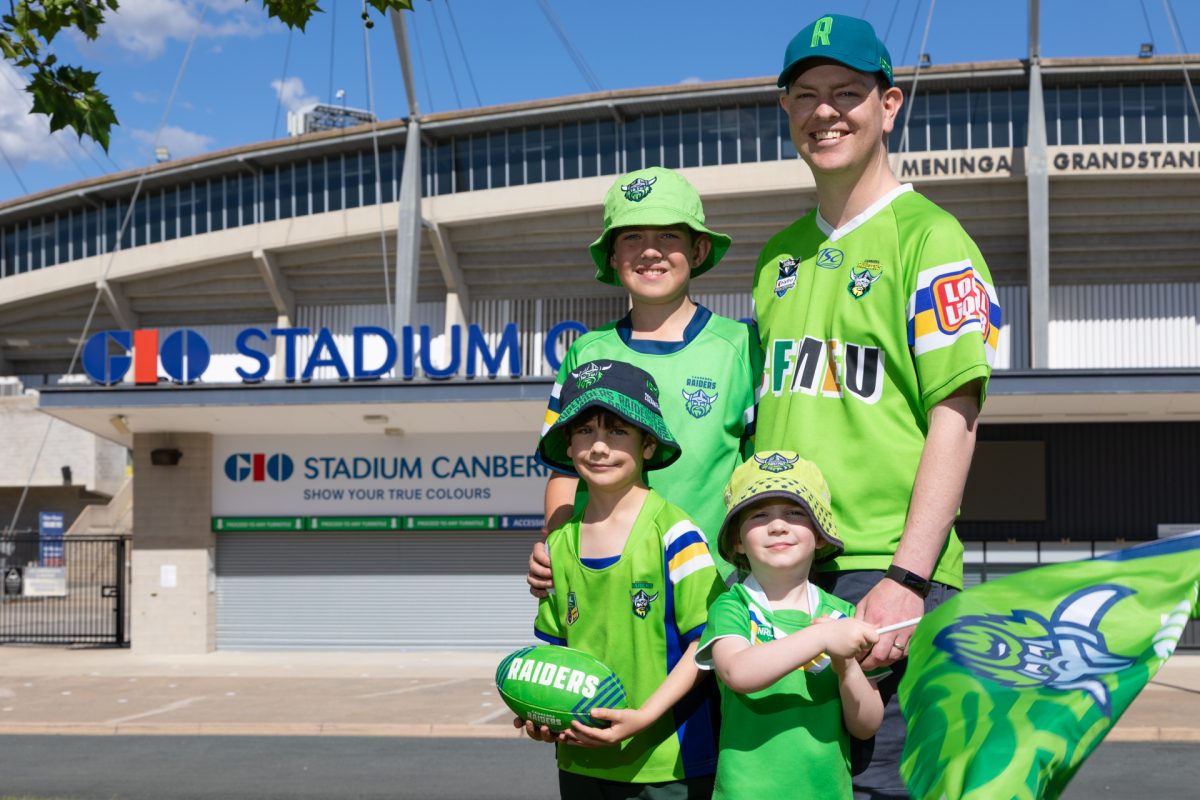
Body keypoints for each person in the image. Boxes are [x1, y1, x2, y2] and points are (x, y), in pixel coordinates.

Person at [754, 13, 1001, 797]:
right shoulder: (775, 257)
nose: (826, 111)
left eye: (848, 93)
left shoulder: (932, 239)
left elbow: (955, 420)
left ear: (888, 105)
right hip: (782, 572)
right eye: (807, 94)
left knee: (881, 785)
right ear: (787, 109)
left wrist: (908, 576)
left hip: (878, 574)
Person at [531, 166, 761, 581]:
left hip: (714, 586)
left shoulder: (742, 348)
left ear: (698, 251)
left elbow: (759, 470)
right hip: (604, 584)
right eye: (632, 236)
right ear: (613, 256)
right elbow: (564, 474)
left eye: (669, 236)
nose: (650, 251)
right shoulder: (586, 352)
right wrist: (556, 545)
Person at [525, 358, 724, 799]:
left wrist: (645, 715)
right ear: (568, 443)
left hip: (667, 764)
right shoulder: (560, 545)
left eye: (617, 431)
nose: (599, 447)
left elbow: (708, 642)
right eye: (584, 430)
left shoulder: (676, 533)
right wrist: (543, 714)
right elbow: (557, 657)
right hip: (580, 758)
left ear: (648, 444)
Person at [695, 452, 884, 799]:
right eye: (759, 514)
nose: (778, 525)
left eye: (796, 513)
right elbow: (739, 672)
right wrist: (822, 637)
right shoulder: (733, 605)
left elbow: (866, 724)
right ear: (737, 540)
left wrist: (845, 665)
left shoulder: (840, 613)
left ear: (821, 534)